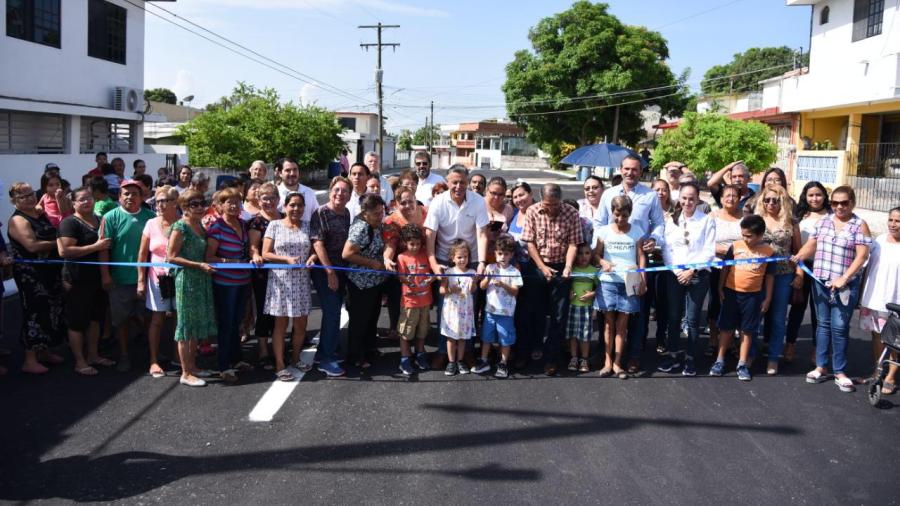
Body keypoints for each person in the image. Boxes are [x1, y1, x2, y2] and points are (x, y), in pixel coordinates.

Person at [792, 186, 872, 393]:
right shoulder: (824, 221)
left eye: (844, 202)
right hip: (820, 282)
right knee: (823, 326)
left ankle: (840, 371)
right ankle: (820, 366)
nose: (839, 207)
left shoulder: (859, 225)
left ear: (852, 202)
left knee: (839, 327)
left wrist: (844, 278)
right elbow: (812, 244)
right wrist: (799, 255)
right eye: (835, 202)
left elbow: (862, 256)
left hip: (845, 286)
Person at [594, 155, 665, 373]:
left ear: (641, 171)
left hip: (636, 264)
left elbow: (659, 224)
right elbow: (599, 223)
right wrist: (599, 257)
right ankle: (607, 359)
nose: (629, 173)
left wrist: (654, 240)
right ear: (620, 169)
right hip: (611, 264)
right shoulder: (608, 194)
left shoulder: (650, 195)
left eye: (634, 169)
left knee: (636, 315)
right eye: (626, 169)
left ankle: (633, 356)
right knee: (608, 317)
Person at [424, 165, 490, 369]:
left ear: (468, 181)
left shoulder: (478, 201)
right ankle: (444, 352)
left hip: (470, 260)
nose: (459, 186)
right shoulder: (438, 201)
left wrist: (481, 263)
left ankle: (467, 351)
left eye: (462, 182)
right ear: (448, 181)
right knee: (445, 308)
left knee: (469, 307)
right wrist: (433, 262)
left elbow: (482, 233)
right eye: (454, 182)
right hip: (445, 260)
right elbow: (430, 235)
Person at [522, 183, 583, 376]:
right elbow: (529, 243)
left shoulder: (571, 213)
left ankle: (551, 358)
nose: (553, 209)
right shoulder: (532, 211)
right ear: (542, 200)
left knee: (558, 315)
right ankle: (530, 350)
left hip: (561, 266)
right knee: (534, 312)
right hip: (537, 265)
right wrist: (542, 267)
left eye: (556, 204)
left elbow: (574, 243)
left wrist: (567, 266)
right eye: (549, 205)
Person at [7, 182, 66, 374]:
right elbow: (31, 246)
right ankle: (29, 359)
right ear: (14, 201)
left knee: (51, 309)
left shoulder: (39, 213)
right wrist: (59, 243)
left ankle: (45, 351)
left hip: (50, 271)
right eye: (23, 196)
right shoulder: (18, 220)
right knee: (33, 311)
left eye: (31, 194)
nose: (29, 198)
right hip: (30, 274)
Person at [658, 181, 716, 376]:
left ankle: (690, 359)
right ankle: (673, 355)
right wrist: (677, 271)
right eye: (684, 198)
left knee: (692, 319)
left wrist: (691, 270)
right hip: (675, 275)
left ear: (698, 199)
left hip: (697, 276)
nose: (687, 202)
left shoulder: (706, 220)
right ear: (679, 199)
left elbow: (709, 250)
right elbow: (666, 248)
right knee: (673, 317)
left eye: (692, 198)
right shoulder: (671, 220)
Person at [99, 179, 156, 372]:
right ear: (119, 196)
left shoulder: (150, 216)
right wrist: (105, 275)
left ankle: (153, 353)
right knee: (121, 321)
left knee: (149, 318)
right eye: (126, 193)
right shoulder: (110, 217)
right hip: (120, 280)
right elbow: (104, 248)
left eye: (135, 193)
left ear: (142, 197)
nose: (130, 197)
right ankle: (124, 355)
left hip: (148, 279)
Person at [710, 215, 775, 381]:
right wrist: (720, 287)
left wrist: (767, 298)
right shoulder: (735, 246)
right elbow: (725, 268)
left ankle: (742, 363)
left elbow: (769, 277)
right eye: (743, 235)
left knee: (747, 330)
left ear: (760, 235)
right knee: (726, 328)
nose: (745, 239)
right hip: (731, 293)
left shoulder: (769, 251)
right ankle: (719, 360)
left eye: (749, 236)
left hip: (753, 297)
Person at [56, 187, 112, 375]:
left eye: (89, 198)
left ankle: (93, 355)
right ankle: (80, 362)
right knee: (77, 322)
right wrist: (95, 246)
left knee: (96, 319)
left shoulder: (99, 220)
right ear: (73, 203)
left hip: (98, 279)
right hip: (77, 280)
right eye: (82, 199)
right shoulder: (69, 223)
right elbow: (64, 251)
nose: (87, 201)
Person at [167, 189, 217, 387]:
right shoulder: (180, 226)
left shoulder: (200, 226)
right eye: (192, 204)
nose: (198, 207)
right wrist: (198, 265)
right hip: (187, 279)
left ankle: (193, 366)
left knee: (196, 324)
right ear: (184, 208)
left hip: (201, 278)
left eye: (201, 203)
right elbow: (171, 256)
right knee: (186, 326)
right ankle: (185, 372)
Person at [205, 188, 256, 382]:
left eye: (237, 201)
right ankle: (224, 366)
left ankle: (236, 360)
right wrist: (229, 262)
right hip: (225, 283)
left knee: (237, 323)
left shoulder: (243, 225)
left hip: (243, 281)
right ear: (220, 205)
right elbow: (209, 257)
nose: (234, 205)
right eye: (229, 202)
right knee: (226, 324)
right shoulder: (216, 227)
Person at [262, 192, 314, 381]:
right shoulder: (274, 225)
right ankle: (280, 364)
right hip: (280, 282)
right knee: (280, 325)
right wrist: (286, 259)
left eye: (300, 205)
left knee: (301, 325)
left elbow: (315, 250)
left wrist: (312, 258)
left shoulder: (308, 226)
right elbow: (265, 253)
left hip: (301, 281)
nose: (296, 209)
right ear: (285, 207)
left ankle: (295, 358)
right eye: (292, 205)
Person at [594, 195, 647, 379]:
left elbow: (641, 256)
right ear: (612, 212)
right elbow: (596, 255)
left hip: (629, 283)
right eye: (617, 215)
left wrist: (643, 280)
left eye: (624, 215)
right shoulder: (604, 231)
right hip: (608, 283)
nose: (620, 219)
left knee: (622, 326)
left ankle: (618, 363)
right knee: (608, 325)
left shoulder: (637, 231)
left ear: (629, 213)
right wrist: (603, 262)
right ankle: (607, 362)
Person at [755, 184, 802, 375]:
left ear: (783, 201)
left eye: (776, 200)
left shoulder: (791, 222)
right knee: (755, 315)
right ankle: (748, 354)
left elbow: (798, 252)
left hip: (783, 275)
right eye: (767, 200)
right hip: (759, 274)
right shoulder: (757, 220)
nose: (771, 203)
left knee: (777, 318)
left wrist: (800, 274)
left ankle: (773, 358)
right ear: (762, 201)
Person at [309, 177, 352, 377]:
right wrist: (330, 271)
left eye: (344, 191)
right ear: (330, 191)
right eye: (336, 190)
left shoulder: (346, 213)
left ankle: (325, 351)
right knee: (333, 312)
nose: (339, 194)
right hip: (325, 270)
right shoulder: (321, 213)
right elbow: (318, 244)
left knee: (333, 311)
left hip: (342, 269)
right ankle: (327, 359)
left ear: (350, 195)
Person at [136, 185, 180, 378]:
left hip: (180, 278)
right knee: (157, 319)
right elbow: (142, 254)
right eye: (158, 201)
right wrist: (140, 281)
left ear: (174, 203)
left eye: (164, 201)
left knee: (180, 319)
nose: (160, 205)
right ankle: (153, 360)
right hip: (156, 279)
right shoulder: (151, 224)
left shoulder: (182, 223)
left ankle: (179, 357)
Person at [342, 194, 389, 370]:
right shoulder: (361, 228)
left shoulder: (375, 224)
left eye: (382, 212)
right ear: (365, 213)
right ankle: (355, 356)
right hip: (360, 283)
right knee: (359, 321)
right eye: (377, 213)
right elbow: (347, 254)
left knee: (371, 318)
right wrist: (372, 263)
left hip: (374, 282)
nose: (380, 216)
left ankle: (370, 349)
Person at [785, 182, 830, 361]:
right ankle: (790, 344)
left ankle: (817, 348)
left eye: (818, 195)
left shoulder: (832, 216)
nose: (815, 198)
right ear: (805, 196)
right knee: (797, 308)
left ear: (824, 196)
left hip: (823, 268)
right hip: (802, 267)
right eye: (811, 195)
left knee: (818, 311)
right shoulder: (799, 215)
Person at [860, 207, 900, 394]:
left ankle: (891, 375)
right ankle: (878, 372)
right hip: (876, 298)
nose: (893, 224)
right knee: (877, 336)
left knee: (896, 340)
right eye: (891, 220)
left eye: (897, 221)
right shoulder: (879, 241)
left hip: (896, 300)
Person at [473, 235, 523, 378]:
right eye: (500, 253)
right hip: (490, 311)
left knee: (505, 339)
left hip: (506, 312)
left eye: (506, 254)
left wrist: (503, 284)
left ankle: (503, 363)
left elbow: (515, 292)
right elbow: (482, 287)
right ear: (495, 253)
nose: (502, 257)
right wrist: (487, 280)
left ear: (511, 255)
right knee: (486, 337)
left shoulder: (514, 272)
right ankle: (483, 360)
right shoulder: (490, 268)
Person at [383, 187, 428, 340]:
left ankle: (420, 330)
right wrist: (387, 258)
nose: (408, 205)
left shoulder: (425, 213)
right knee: (397, 297)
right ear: (396, 204)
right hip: (402, 264)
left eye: (411, 201)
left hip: (424, 262)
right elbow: (391, 243)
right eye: (403, 203)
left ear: (416, 200)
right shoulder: (391, 221)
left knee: (423, 298)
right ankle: (397, 328)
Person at [507, 182, 544, 368]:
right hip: (516, 269)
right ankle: (519, 348)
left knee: (535, 310)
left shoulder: (539, 213)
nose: (518, 199)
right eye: (515, 197)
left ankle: (536, 345)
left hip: (534, 269)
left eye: (522, 195)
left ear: (530, 194)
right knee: (518, 312)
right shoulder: (514, 215)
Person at [247, 182, 282, 371]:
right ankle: (262, 349)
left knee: (280, 311)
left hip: (284, 272)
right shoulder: (256, 221)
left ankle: (278, 345)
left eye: (272, 198)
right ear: (259, 200)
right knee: (263, 310)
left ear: (278, 199)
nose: (268, 202)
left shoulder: (284, 217)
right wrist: (255, 255)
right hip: (263, 272)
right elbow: (253, 246)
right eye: (264, 198)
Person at [707, 185, 744, 356]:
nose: (730, 198)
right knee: (715, 303)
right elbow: (704, 242)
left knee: (734, 305)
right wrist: (725, 250)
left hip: (739, 268)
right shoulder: (712, 217)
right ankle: (713, 339)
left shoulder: (746, 217)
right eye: (727, 195)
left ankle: (730, 341)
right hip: (716, 265)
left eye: (734, 195)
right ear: (721, 199)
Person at [395, 224, 435, 376]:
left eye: (418, 243)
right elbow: (400, 276)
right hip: (409, 303)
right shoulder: (401, 257)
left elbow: (431, 273)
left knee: (422, 331)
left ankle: (420, 354)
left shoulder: (425, 254)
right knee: (406, 331)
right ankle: (405, 358)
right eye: (412, 244)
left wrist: (431, 279)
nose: (415, 247)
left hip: (425, 301)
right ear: (405, 242)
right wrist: (408, 281)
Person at [440, 239, 477, 376]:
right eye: (459, 257)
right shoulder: (448, 272)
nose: (463, 260)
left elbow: (472, 290)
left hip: (465, 310)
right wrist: (451, 290)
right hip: (451, 311)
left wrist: (474, 281)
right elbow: (442, 291)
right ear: (453, 258)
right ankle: (451, 361)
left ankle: (460, 360)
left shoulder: (472, 272)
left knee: (462, 338)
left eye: (465, 257)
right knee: (451, 337)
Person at [645, 179, 674, 355]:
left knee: (663, 304)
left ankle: (661, 337)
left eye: (664, 190)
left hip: (665, 264)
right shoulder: (645, 211)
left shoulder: (675, 213)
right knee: (644, 303)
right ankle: (640, 339)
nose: (661, 193)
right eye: (657, 189)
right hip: (646, 263)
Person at [566, 243, 598, 374]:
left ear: (591, 255)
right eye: (579, 253)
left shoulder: (594, 271)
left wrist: (593, 293)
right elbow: (566, 285)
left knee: (585, 335)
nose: (583, 256)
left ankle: (584, 359)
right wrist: (568, 292)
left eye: (587, 253)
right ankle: (574, 358)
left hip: (586, 308)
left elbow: (599, 288)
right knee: (573, 334)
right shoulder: (571, 270)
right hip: (572, 307)